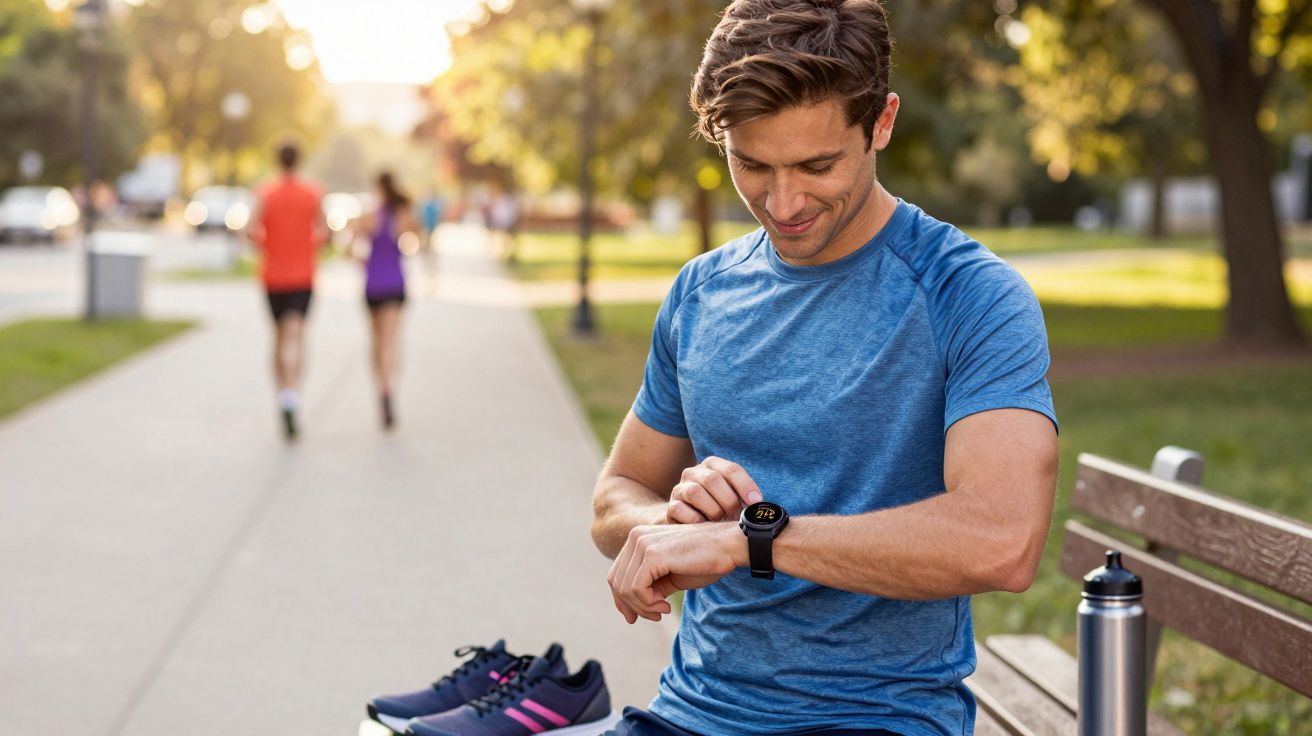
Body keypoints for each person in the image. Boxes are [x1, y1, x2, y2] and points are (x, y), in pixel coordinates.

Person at [591, 2, 1059, 735]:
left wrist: (750, 541)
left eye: (816, 166)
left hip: (876, 719)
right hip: (690, 712)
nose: (782, 203)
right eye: (751, 164)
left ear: (882, 123)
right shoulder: (701, 292)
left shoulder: (969, 295)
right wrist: (665, 528)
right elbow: (617, 495)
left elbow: (1003, 541)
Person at [248, 142, 326, 441]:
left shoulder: (264, 193)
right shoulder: (313, 193)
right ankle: (293, 394)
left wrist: (268, 246)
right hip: (302, 276)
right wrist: (308, 245)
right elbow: (325, 232)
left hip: (273, 276)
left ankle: (282, 395)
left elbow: (249, 231)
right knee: (297, 335)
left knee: (279, 337)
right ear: (300, 160)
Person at [353, 171, 417, 430]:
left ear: (377, 187)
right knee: (391, 341)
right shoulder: (402, 214)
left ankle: (380, 387)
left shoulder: (368, 216)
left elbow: (350, 249)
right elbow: (414, 244)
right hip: (395, 282)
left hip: (373, 284)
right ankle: (389, 388)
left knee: (376, 341)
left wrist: (365, 262)